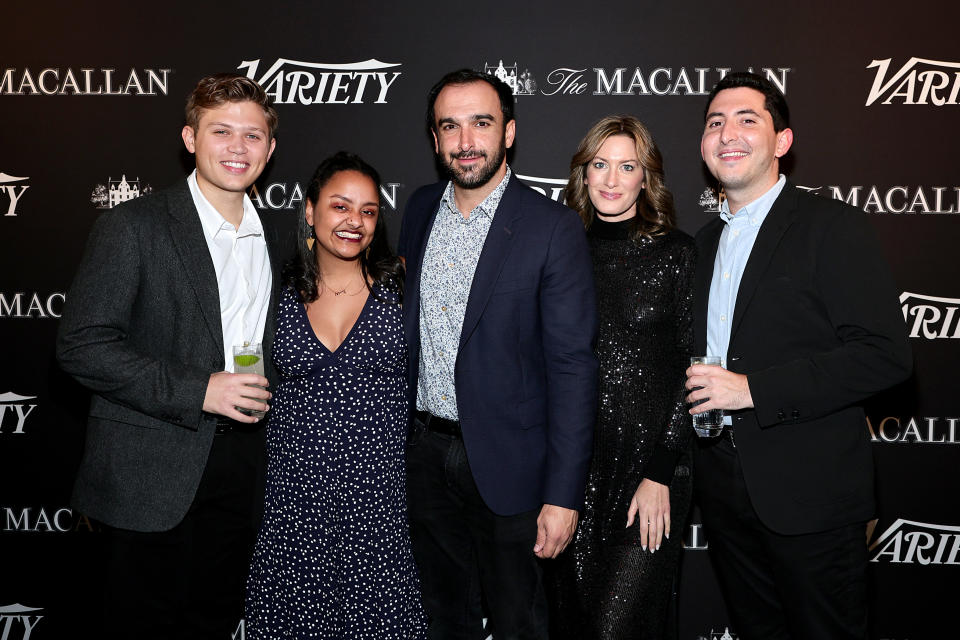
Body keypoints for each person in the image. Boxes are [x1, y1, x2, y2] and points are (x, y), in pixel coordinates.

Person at [686, 71, 912, 640]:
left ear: (782, 142)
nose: (727, 133)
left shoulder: (831, 226)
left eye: (747, 119)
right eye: (715, 122)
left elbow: (885, 356)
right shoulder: (706, 242)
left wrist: (753, 390)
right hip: (725, 493)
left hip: (811, 497)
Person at [56, 73, 281, 639]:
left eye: (252, 135)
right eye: (221, 131)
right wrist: (198, 389)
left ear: (271, 148)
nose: (237, 147)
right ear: (189, 138)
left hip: (243, 467)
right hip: (147, 476)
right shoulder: (133, 226)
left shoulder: (279, 236)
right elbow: (82, 346)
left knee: (214, 621)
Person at [398, 69, 598, 639]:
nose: (466, 142)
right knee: (443, 619)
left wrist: (562, 496)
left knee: (518, 623)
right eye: (450, 127)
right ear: (435, 139)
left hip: (513, 468)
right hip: (426, 456)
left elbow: (573, 368)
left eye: (481, 123)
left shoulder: (552, 227)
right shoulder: (417, 210)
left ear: (508, 132)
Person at [245, 152, 426, 638]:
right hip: (294, 504)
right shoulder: (276, 291)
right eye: (340, 206)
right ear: (309, 210)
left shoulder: (404, 286)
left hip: (377, 504)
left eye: (368, 211)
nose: (355, 221)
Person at [547, 116, 696, 639]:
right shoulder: (560, 252)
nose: (612, 180)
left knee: (621, 628)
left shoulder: (677, 254)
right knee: (573, 624)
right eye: (600, 165)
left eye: (627, 166)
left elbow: (693, 367)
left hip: (650, 474)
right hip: (572, 475)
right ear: (583, 175)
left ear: (645, 177)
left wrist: (660, 472)